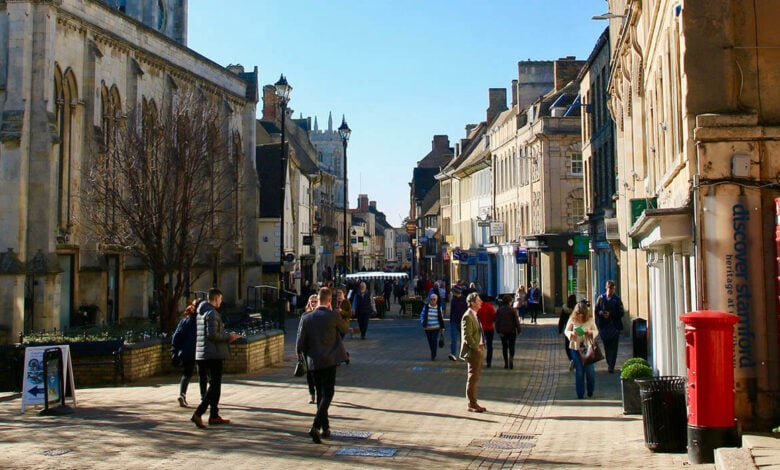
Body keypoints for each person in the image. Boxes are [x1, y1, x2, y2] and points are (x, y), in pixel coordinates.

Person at [296, 287, 349, 444]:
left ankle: (325, 428)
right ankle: (316, 425)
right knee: (329, 393)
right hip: (330, 360)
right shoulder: (333, 316)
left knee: (320, 394)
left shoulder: (306, 318)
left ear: (318, 299)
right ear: (329, 300)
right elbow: (345, 329)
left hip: (314, 361)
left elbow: (299, 344)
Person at [191, 288, 241, 429]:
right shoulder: (212, 313)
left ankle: (214, 415)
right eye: (220, 299)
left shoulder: (201, 312)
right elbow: (212, 334)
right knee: (214, 386)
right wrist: (229, 337)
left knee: (215, 386)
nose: (221, 302)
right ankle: (198, 413)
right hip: (212, 354)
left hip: (203, 353)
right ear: (216, 298)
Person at [171, 299, 206, 407]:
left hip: (186, 351)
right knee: (202, 375)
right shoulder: (202, 321)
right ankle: (203, 397)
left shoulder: (185, 321)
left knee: (187, 374)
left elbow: (176, 335)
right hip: (199, 350)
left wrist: (174, 350)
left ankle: (182, 394)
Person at [564, 299, 599, 399]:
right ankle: (580, 393)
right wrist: (571, 334)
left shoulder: (590, 320)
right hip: (575, 348)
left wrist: (590, 332)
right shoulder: (572, 319)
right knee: (579, 371)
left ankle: (590, 390)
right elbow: (566, 331)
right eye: (578, 314)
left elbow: (596, 331)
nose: (580, 316)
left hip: (588, 348)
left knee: (590, 371)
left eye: (582, 315)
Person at [460, 292, 487, 413]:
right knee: (473, 377)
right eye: (478, 301)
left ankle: (474, 402)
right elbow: (467, 337)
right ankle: (471, 403)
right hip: (474, 351)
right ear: (472, 303)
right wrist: (476, 348)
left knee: (475, 377)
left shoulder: (475, 315)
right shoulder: (468, 316)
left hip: (480, 348)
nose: (481, 302)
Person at [594, 280, 625, 373]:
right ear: (606, 288)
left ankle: (611, 365)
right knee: (607, 346)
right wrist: (600, 313)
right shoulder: (601, 298)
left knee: (614, 347)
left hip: (614, 326)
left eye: (613, 288)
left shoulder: (617, 299)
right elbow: (596, 310)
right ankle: (609, 362)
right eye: (609, 288)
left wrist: (610, 314)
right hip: (604, 327)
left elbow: (621, 313)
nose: (611, 290)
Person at [298, 294, 319, 404]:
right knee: (310, 372)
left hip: (319, 347)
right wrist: (298, 348)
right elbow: (299, 332)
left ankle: (320, 391)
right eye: (312, 301)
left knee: (318, 372)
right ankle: (312, 393)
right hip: (307, 347)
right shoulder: (305, 315)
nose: (313, 303)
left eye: (315, 301)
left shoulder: (322, 315)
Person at [494, 295, 521, 369]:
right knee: (512, 345)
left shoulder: (499, 310)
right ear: (509, 302)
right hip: (512, 331)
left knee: (504, 346)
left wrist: (498, 330)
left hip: (503, 331)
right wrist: (519, 330)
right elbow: (516, 321)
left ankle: (506, 363)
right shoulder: (513, 310)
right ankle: (511, 358)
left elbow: (497, 321)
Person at [420, 293, 445, 361]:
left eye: (434, 299)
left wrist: (442, 328)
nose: (432, 301)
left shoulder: (439, 307)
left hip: (436, 327)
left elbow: (441, 318)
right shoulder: (426, 307)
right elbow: (422, 315)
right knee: (430, 341)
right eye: (431, 299)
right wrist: (422, 321)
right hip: (427, 327)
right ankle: (433, 352)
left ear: (436, 300)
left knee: (434, 340)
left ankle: (433, 354)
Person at [476, 294, 497, 368]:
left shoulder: (478, 306)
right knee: (489, 345)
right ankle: (489, 362)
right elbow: (494, 317)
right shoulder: (490, 306)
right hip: (489, 328)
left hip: (479, 328)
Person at [559, 294, 578, 370]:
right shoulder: (577, 308)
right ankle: (575, 360)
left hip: (568, 330)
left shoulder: (565, 309)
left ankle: (571, 359)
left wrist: (560, 330)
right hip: (576, 329)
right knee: (576, 346)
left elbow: (561, 320)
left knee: (567, 346)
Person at [448, 285, 467, 361]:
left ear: (456, 292)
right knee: (453, 339)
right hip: (454, 321)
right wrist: (451, 319)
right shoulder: (453, 300)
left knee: (463, 339)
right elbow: (452, 310)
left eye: (453, 291)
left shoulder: (465, 300)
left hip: (463, 322)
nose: (452, 292)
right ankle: (453, 354)